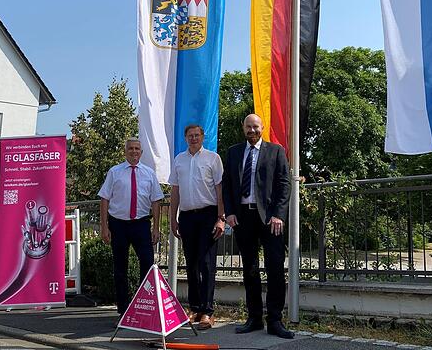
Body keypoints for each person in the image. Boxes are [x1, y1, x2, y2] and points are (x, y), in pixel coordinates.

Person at [222, 114, 294, 339]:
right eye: (248, 127)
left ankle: (275, 320)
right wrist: (230, 213)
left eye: (255, 127)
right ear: (243, 128)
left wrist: (279, 215)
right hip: (243, 218)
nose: (252, 130)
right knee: (250, 270)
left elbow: (284, 184)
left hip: (270, 219)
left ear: (262, 128)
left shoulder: (276, 151)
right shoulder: (233, 152)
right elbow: (227, 184)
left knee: (275, 268)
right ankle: (254, 318)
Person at [168, 124, 225, 330]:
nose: (193, 138)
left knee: (207, 264)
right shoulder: (179, 160)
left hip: (208, 215)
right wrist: (173, 219)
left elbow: (220, 189)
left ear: (203, 137)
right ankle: (194, 308)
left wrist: (221, 218)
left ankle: (208, 312)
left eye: (197, 135)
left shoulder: (212, 158)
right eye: (190, 136)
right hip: (187, 217)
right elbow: (175, 191)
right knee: (191, 263)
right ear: (185, 138)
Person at [98, 138, 163, 317]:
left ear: (141, 153)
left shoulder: (149, 173)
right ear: (125, 151)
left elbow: (156, 200)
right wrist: (104, 226)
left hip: (141, 224)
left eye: (137, 149)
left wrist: (156, 227)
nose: (134, 152)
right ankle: (124, 310)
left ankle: (143, 304)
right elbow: (104, 198)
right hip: (118, 224)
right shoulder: (115, 172)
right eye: (131, 149)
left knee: (148, 264)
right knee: (120, 268)